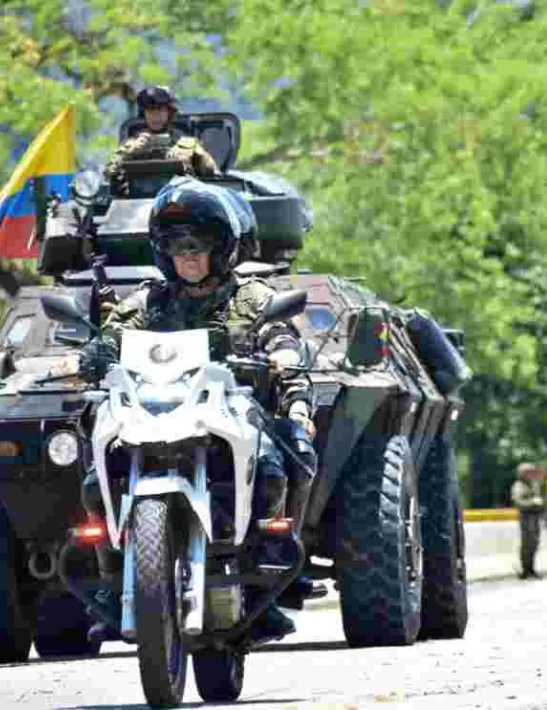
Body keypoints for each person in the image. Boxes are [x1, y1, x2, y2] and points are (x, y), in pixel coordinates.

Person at [80, 176, 317, 644]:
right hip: (153, 412)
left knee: (283, 460)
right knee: (94, 479)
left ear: (224, 248)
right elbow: (107, 339)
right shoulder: (148, 300)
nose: (186, 254)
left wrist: (295, 397)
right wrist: (92, 355)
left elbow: (284, 343)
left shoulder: (253, 298)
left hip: (229, 415)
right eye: (175, 244)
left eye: (198, 243)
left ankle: (273, 568)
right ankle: (111, 578)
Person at [105, 85, 219, 195]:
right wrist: (130, 153)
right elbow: (108, 173)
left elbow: (213, 173)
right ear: (144, 114)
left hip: (179, 205)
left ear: (169, 113)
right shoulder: (131, 145)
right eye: (150, 110)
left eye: (159, 110)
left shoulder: (187, 144)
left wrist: (188, 158)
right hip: (136, 206)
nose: (155, 116)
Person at [510, 463, 547, 580]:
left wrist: (541, 505)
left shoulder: (533, 485)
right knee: (527, 544)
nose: (531, 474)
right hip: (526, 519)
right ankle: (525, 570)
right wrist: (532, 502)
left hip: (535, 518)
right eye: (529, 472)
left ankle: (531, 568)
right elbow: (518, 502)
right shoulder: (519, 486)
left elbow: (540, 499)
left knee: (534, 543)